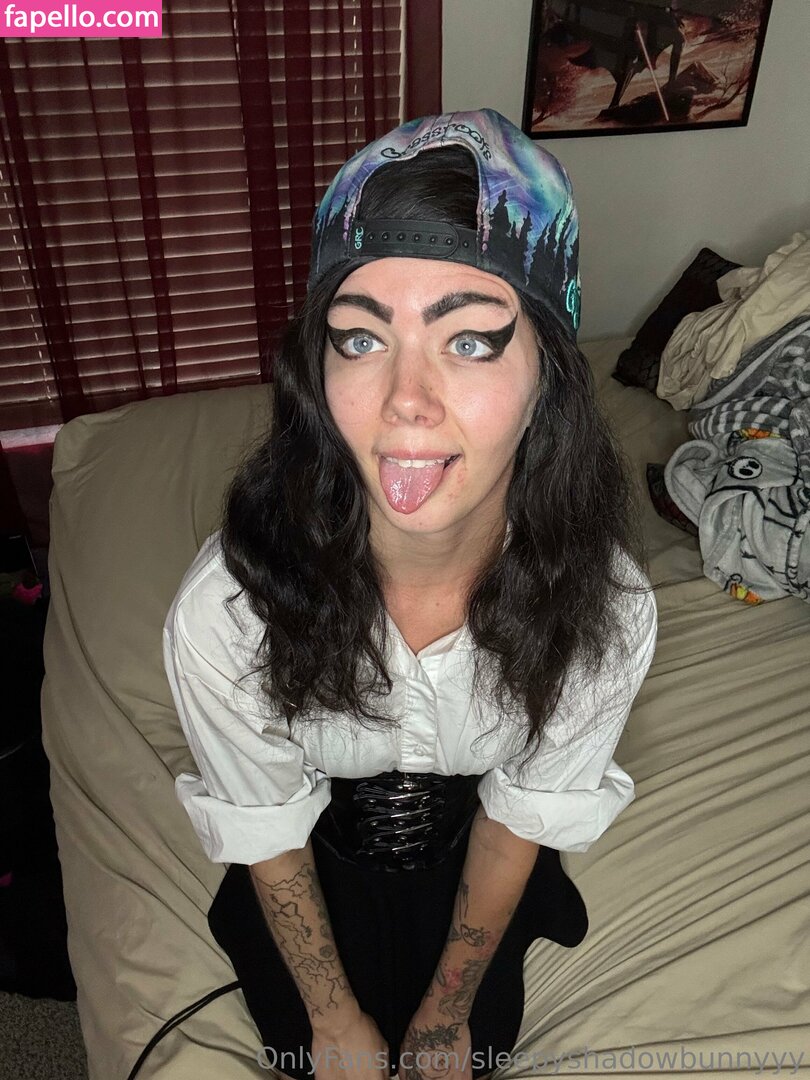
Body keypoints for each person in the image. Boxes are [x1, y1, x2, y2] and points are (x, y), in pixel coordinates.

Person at [162, 108, 658, 1080]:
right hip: (308, 857)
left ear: (549, 378)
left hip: (483, 861)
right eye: (359, 339)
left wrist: (446, 1010)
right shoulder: (227, 612)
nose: (404, 401)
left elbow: (514, 820)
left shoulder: (606, 613)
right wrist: (333, 1016)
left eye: (469, 341)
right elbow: (267, 831)